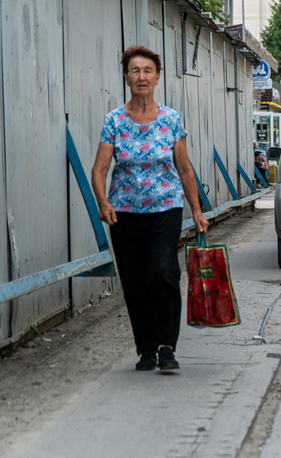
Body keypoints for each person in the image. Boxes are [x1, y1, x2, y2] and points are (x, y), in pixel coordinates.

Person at [92, 45, 209, 372]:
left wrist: (197, 211)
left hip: (165, 210)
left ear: (157, 77)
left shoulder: (171, 120)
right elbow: (99, 169)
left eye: (147, 71)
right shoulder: (114, 120)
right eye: (135, 71)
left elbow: (185, 169)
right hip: (124, 214)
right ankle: (146, 349)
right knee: (134, 281)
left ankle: (166, 347)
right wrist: (103, 203)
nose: (141, 76)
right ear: (127, 77)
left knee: (163, 272)